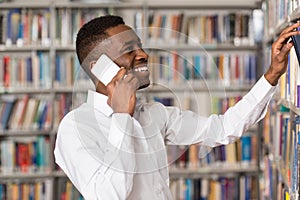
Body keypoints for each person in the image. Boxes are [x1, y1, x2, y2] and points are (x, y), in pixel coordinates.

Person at [54, 15, 300, 200]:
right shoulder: (76, 127)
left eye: (140, 46)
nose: (143, 54)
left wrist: (272, 75)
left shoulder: (153, 113)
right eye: (129, 50)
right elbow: (108, 194)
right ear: (99, 67)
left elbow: (224, 128)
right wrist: (121, 116)